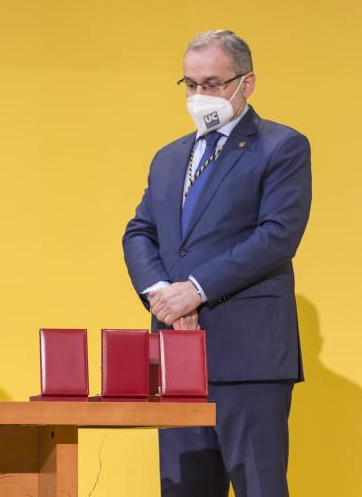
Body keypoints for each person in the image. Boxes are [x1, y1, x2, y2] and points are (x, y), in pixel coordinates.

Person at [122, 30, 311, 497]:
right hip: (177, 358)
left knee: (259, 488)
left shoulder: (282, 146)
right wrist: (162, 293)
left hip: (249, 359)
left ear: (247, 83)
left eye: (212, 83)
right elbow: (139, 231)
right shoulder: (168, 158)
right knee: (184, 489)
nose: (200, 96)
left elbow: (276, 236)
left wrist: (197, 288)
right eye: (190, 85)